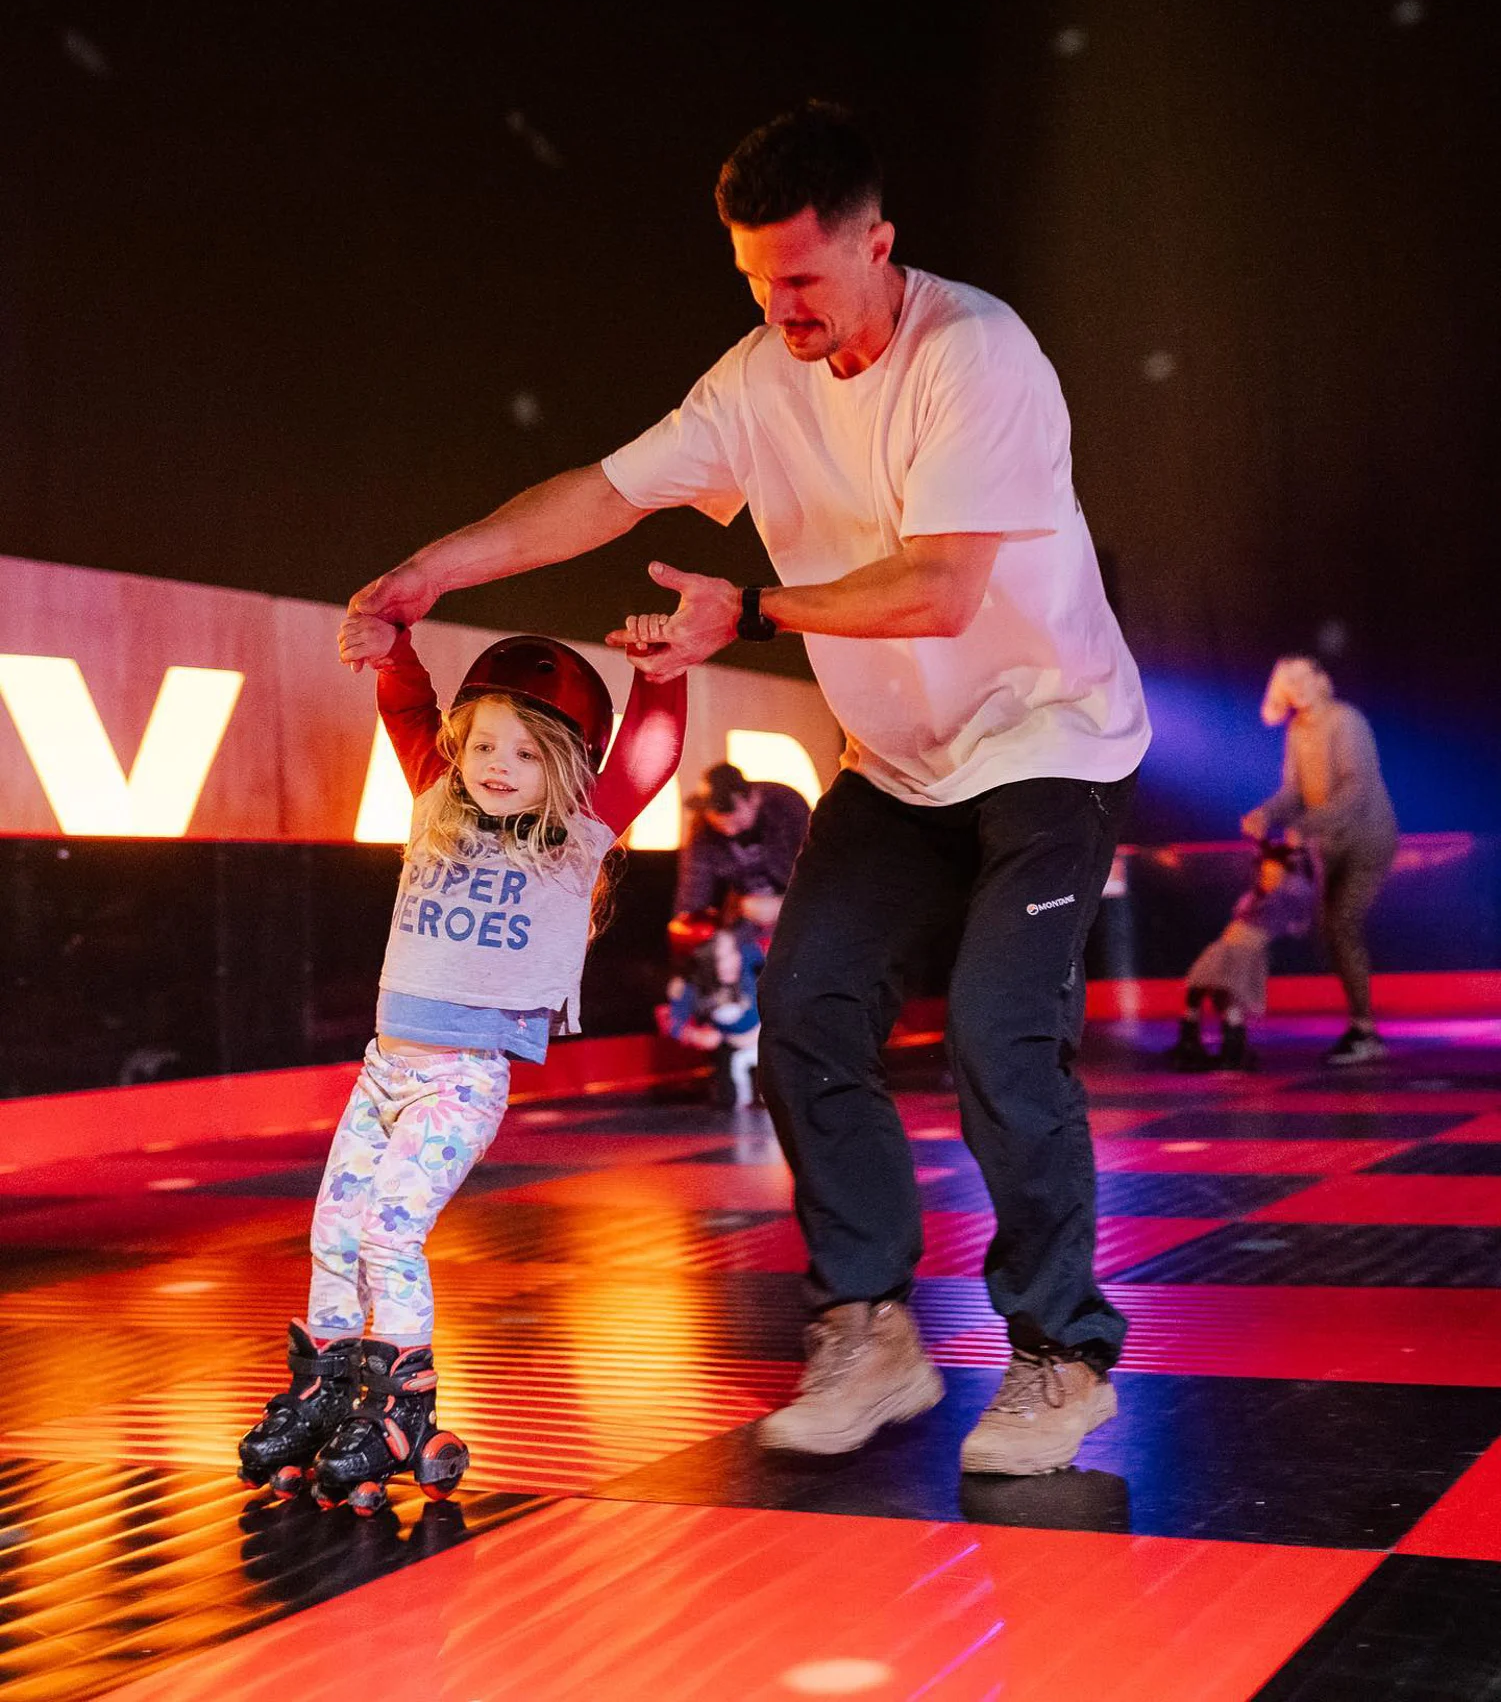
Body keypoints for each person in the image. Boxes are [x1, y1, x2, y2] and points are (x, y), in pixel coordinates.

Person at [347, 102, 1151, 1477]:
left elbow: (940, 585)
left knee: (999, 1031)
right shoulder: (750, 383)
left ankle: (1059, 1356)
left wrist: (755, 613)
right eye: (753, 282)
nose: (779, 309)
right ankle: (868, 1329)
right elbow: (603, 494)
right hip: (896, 770)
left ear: (878, 247)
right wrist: (432, 571)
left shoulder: (977, 355)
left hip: (1050, 746)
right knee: (801, 1018)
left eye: (802, 281)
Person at [237, 613, 683, 1511]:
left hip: (460, 1078)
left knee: (390, 1234)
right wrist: (392, 653)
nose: (495, 765)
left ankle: (404, 1404)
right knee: (331, 1234)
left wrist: (662, 672)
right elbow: (409, 711)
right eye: (483, 745)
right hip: (382, 1072)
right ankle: (324, 1390)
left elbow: (652, 753)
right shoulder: (437, 801)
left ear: (561, 767)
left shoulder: (580, 832)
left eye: (523, 754)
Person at [1242, 655, 1398, 1065]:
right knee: (1330, 931)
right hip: (1330, 845)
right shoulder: (1297, 729)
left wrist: (1307, 825)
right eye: (1290, 682)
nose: (1299, 687)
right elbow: (1293, 789)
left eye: (1304, 678)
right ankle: (1361, 1025)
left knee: (1341, 923)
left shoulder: (1345, 720)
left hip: (1367, 839)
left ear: (1319, 679)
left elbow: (1356, 788)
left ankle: (1365, 1030)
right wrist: (1267, 814)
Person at [1168, 842, 1317, 1070]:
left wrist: (1298, 859)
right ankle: (1190, 1041)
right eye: (1266, 874)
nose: (1268, 878)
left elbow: (1304, 896)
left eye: (1275, 874)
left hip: (1244, 951)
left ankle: (1233, 1049)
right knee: (1198, 988)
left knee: (1229, 997)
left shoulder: (1286, 898)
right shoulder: (1257, 895)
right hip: (1226, 946)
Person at [676, 762, 811, 937]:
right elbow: (693, 888)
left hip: (798, 916)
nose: (728, 828)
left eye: (732, 813)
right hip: (743, 922)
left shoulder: (787, 807)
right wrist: (687, 930)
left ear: (752, 798)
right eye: (715, 814)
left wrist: (783, 906)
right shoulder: (703, 828)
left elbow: (817, 874)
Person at [660, 923, 765, 1109]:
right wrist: (695, 1034)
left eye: (733, 952)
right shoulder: (688, 986)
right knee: (730, 1099)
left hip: (767, 1036)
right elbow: (671, 1023)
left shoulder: (749, 956)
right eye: (720, 957)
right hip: (732, 1046)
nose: (731, 962)